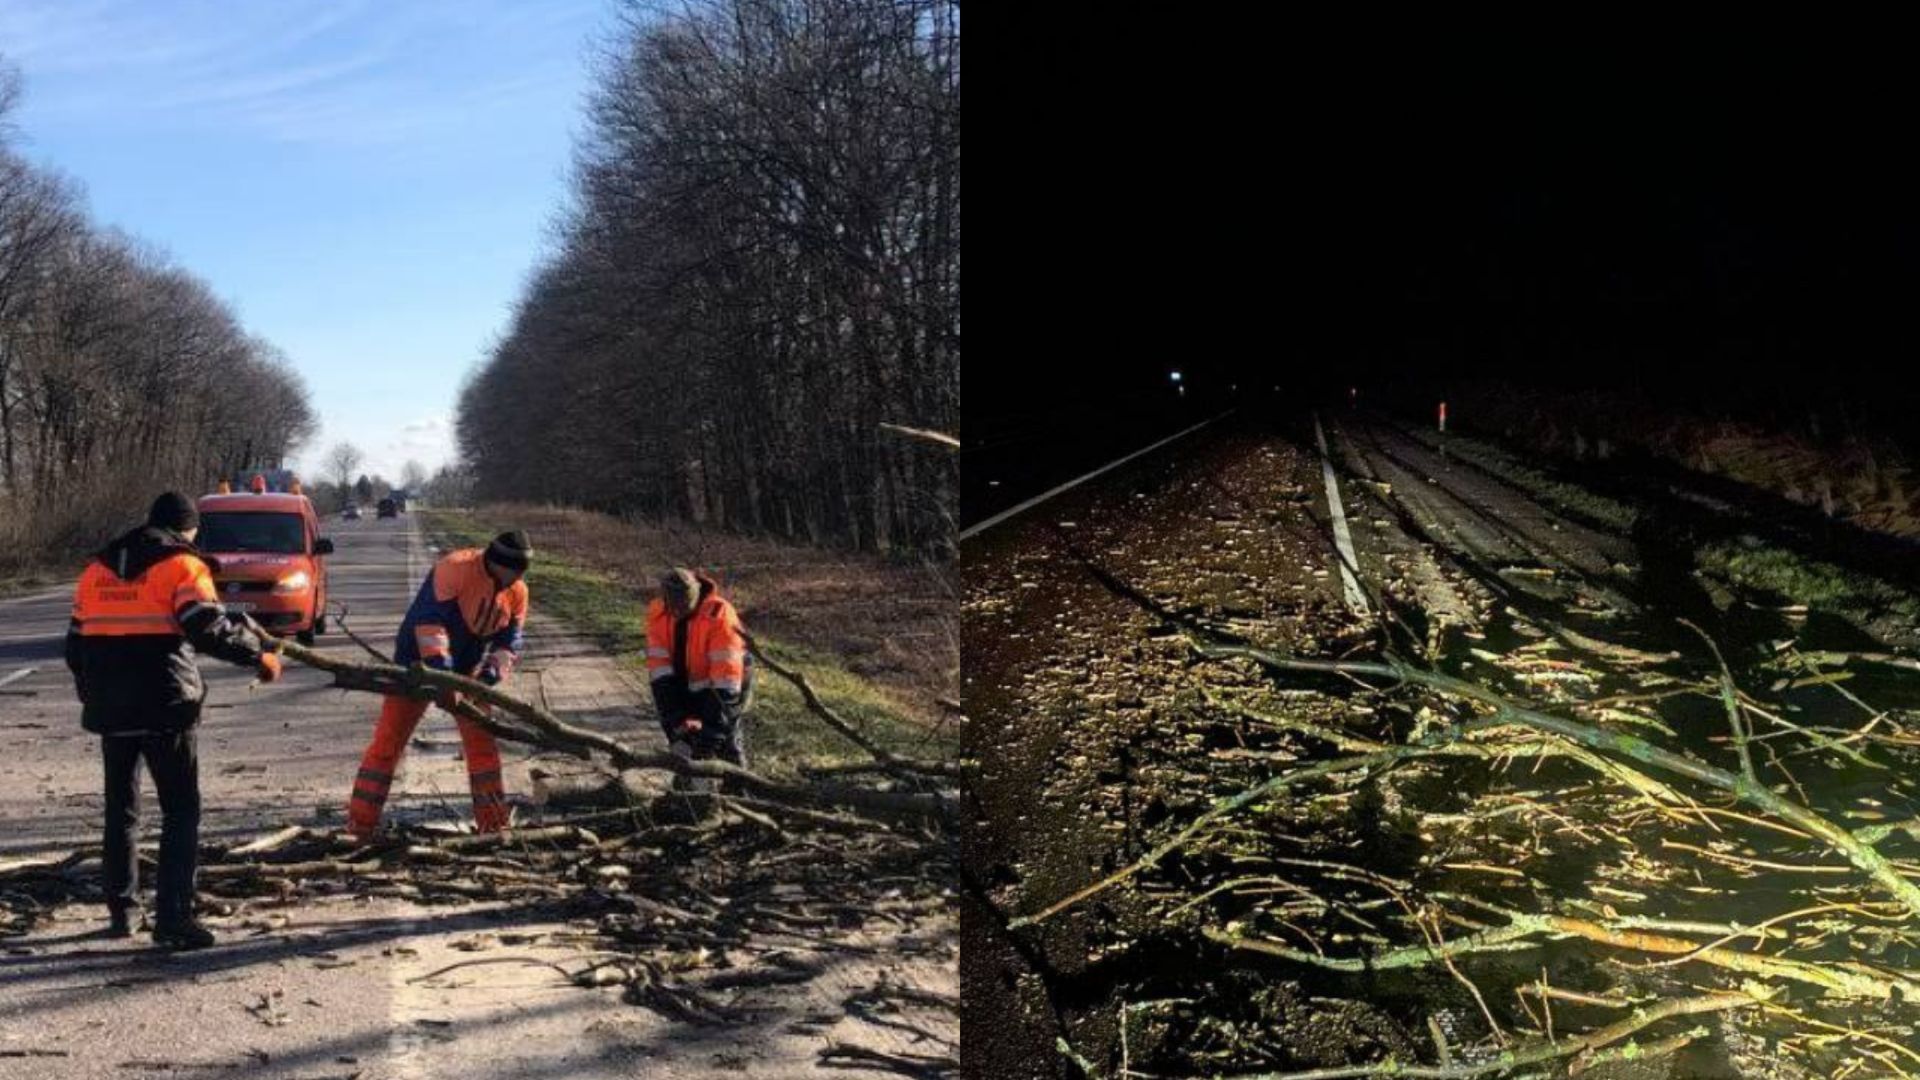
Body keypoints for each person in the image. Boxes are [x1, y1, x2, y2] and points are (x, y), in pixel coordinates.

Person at [65, 492, 284, 948]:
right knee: (180, 811)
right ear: (187, 529)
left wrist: (97, 693)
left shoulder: (95, 571)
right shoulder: (182, 566)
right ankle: (173, 918)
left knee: (120, 813)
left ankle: (123, 912)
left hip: (112, 711)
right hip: (167, 706)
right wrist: (259, 655)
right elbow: (206, 627)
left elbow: (74, 648)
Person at [346, 531, 531, 838]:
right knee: (388, 743)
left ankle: (493, 825)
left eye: (522, 572)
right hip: (415, 666)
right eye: (514, 571)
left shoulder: (517, 591)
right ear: (497, 562)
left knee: (483, 746)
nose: (517, 578)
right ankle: (359, 825)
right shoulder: (455, 568)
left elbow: (509, 643)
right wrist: (442, 679)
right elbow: (430, 625)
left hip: (468, 671)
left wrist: (486, 680)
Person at [645, 568, 752, 774]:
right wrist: (674, 720)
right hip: (684, 683)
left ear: (694, 596)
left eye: (684, 605)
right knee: (681, 742)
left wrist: (711, 733)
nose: (678, 611)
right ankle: (684, 790)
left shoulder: (719, 616)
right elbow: (660, 676)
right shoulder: (658, 615)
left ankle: (739, 787)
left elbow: (726, 683)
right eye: (674, 606)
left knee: (725, 740)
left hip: (728, 683)